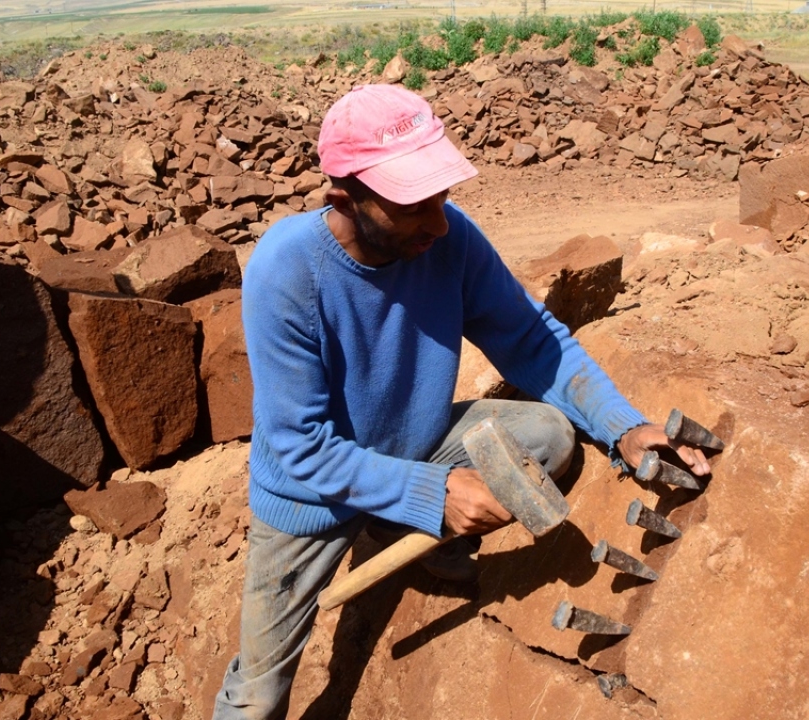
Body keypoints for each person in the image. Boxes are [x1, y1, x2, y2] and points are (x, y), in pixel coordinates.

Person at [212, 84, 711, 720]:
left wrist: (624, 425)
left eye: (442, 195)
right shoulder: (286, 270)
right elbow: (299, 445)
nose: (439, 222)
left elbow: (531, 339)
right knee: (257, 693)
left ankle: (394, 524)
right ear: (345, 200)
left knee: (548, 437)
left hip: (414, 443)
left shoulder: (448, 241)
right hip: (310, 493)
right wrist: (436, 494)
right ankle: (397, 518)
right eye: (413, 204)